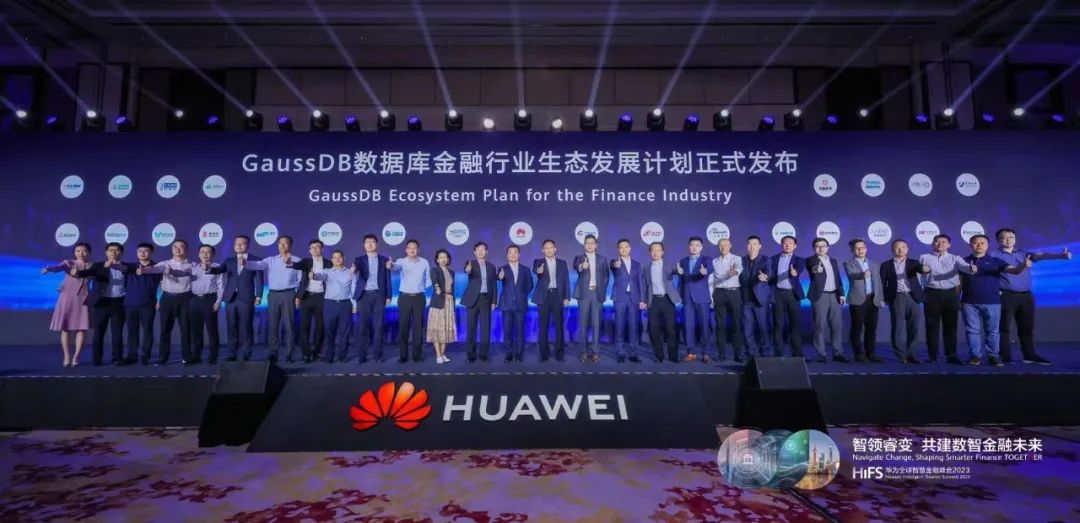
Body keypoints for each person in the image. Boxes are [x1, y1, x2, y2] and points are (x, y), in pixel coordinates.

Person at [992, 228, 1072, 365]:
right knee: (1004, 328)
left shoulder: (1023, 253)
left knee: (1027, 328)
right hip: (1006, 295)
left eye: (1012, 237)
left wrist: (1061, 256)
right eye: (1004, 237)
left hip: (1026, 296)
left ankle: (1029, 355)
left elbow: (1041, 255)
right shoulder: (994, 255)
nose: (1009, 240)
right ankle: (1005, 357)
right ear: (998, 240)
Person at [961, 234, 1027, 366]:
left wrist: (1023, 266)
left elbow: (1014, 270)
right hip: (969, 302)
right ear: (970, 245)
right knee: (972, 331)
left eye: (982, 243)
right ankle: (975, 356)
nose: (979, 245)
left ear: (987, 246)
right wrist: (958, 299)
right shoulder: (963, 261)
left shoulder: (995, 261)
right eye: (976, 243)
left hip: (992, 302)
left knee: (992, 332)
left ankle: (993, 356)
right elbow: (958, 282)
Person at [241, 236, 301, 363]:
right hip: (273, 295)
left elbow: (301, 280)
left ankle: (289, 354)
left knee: (289, 325)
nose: (282, 245)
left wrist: (298, 296)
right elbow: (257, 265)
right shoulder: (271, 260)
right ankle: (273, 353)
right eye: (280, 243)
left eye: (285, 243)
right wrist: (246, 263)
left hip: (289, 294)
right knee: (273, 325)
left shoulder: (297, 260)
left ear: (290, 245)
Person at [138, 239, 199, 365]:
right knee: (165, 329)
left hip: (185, 298)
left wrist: (173, 272)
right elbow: (154, 269)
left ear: (186, 250)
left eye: (181, 247)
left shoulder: (193, 265)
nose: (178, 249)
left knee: (186, 329)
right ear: (172, 249)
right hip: (167, 298)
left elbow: (187, 274)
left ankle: (186, 356)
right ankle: (163, 357)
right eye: (175, 247)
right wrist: (144, 270)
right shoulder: (165, 264)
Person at [919, 234, 974, 364]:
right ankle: (933, 356)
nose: (940, 244)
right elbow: (918, 274)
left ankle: (951, 355)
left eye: (944, 242)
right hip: (931, 293)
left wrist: (971, 268)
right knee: (931, 325)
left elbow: (964, 267)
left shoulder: (955, 258)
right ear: (933, 244)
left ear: (949, 245)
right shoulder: (924, 257)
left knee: (951, 326)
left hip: (950, 294)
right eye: (937, 242)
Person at [74, 242, 128, 366]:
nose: (113, 252)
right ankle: (97, 359)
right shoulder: (98, 265)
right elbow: (85, 273)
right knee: (99, 332)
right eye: (110, 250)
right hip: (101, 303)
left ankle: (117, 357)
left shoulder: (125, 267)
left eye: (116, 250)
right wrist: (76, 273)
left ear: (121, 252)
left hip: (119, 303)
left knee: (117, 333)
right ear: (106, 252)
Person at [42, 242, 92, 366]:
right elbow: (58, 268)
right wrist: (49, 269)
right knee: (66, 328)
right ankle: (66, 356)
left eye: (84, 251)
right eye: (78, 251)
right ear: (74, 253)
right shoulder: (69, 263)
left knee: (81, 328)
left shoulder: (92, 266)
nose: (81, 253)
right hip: (67, 298)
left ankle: (76, 357)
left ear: (89, 252)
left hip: (83, 298)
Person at [880, 239, 926, 364]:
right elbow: (882, 283)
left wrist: (925, 269)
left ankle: (912, 354)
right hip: (897, 297)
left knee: (914, 327)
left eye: (903, 247)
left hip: (913, 297)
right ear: (892, 249)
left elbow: (921, 269)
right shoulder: (886, 265)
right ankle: (901, 355)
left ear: (907, 249)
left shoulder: (914, 263)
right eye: (897, 247)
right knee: (898, 328)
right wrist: (883, 299)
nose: (900, 249)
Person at [218, 235, 263, 362]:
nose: (238, 245)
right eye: (236, 243)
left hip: (247, 298)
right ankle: (232, 353)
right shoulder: (229, 260)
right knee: (231, 326)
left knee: (246, 326)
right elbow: (218, 270)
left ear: (248, 245)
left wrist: (259, 296)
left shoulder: (256, 260)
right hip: (231, 298)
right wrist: (208, 268)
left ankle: (246, 353)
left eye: (242, 243)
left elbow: (259, 279)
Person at [351, 234, 392, 363]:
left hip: (379, 295)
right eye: (367, 242)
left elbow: (387, 279)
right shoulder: (359, 259)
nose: (369, 244)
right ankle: (361, 355)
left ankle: (378, 355)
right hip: (363, 296)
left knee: (378, 327)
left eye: (372, 242)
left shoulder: (384, 260)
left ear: (377, 244)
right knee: (362, 327)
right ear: (364, 245)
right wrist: (353, 269)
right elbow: (355, 269)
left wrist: (388, 296)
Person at [806, 238, 848, 363]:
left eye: (823, 246)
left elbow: (838, 278)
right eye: (817, 246)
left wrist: (841, 294)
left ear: (827, 247)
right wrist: (817, 270)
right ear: (814, 248)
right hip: (820, 296)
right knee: (819, 326)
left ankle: (838, 353)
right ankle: (821, 354)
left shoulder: (833, 260)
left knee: (837, 326)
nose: (821, 248)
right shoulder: (810, 260)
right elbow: (813, 269)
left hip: (834, 295)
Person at [120, 243, 162, 365]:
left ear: (151, 252)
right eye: (140, 251)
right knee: (132, 331)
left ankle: (145, 355)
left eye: (146, 251)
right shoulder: (130, 267)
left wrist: (159, 300)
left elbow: (162, 286)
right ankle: (132, 355)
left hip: (148, 304)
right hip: (130, 304)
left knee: (147, 330)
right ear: (137, 253)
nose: (142, 253)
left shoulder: (157, 268)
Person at [311, 250, 356, 363]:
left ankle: (342, 356)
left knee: (344, 332)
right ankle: (328, 356)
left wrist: (354, 305)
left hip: (345, 304)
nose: (337, 259)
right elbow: (318, 276)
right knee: (329, 332)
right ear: (332, 260)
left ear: (344, 258)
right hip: (330, 304)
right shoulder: (327, 272)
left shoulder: (350, 272)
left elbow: (353, 289)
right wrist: (313, 275)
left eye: (339, 257)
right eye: (334, 257)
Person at [390, 239, 431, 363]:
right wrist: (391, 265)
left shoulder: (424, 262)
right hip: (404, 298)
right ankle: (403, 355)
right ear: (406, 250)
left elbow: (428, 280)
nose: (412, 250)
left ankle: (417, 355)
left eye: (415, 248)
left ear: (418, 250)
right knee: (403, 326)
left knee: (418, 327)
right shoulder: (401, 261)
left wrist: (420, 287)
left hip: (419, 298)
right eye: (410, 248)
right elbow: (395, 266)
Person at [293, 239, 333, 363]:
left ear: (322, 249)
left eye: (317, 247)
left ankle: (317, 352)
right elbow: (295, 265)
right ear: (309, 250)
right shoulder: (305, 262)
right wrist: (289, 262)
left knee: (320, 326)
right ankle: (306, 353)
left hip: (322, 297)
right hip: (306, 297)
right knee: (304, 326)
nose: (315, 249)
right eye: (312, 247)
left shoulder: (329, 263)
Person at [844, 239, 884, 363]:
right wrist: (862, 275)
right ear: (852, 250)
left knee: (871, 328)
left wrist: (880, 298)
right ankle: (858, 354)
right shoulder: (849, 263)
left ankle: (871, 353)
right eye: (857, 248)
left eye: (862, 247)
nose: (860, 250)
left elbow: (878, 282)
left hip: (873, 299)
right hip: (857, 300)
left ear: (866, 249)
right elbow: (851, 275)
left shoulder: (874, 264)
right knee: (857, 328)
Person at [676, 236, 714, 362]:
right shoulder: (683, 261)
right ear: (689, 247)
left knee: (704, 326)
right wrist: (678, 272)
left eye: (697, 245)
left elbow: (710, 269)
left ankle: (706, 353)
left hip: (702, 298)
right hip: (687, 298)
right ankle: (691, 353)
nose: (694, 247)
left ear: (701, 247)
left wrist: (705, 271)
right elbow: (680, 279)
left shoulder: (706, 259)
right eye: (692, 245)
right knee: (688, 326)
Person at [573, 234, 608, 362]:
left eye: (592, 243)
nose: (589, 245)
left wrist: (602, 290)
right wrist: (582, 267)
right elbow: (577, 268)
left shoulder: (603, 259)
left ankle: (595, 352)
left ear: (596, 245)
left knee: (596, 324)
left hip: (597, 294)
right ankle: (583, 351)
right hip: (584, 294)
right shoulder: (579, 258)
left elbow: (606, 276)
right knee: (583, 324)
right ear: (584, 245)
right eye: (587, 243)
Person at [533, 239, 570, 362]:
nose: (548, 250)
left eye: (551, 247)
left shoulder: (562, 263)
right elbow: (536, 271)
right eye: (546, 248)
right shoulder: (538, 262)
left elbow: (566, 280)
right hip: (543, 297)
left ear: (555, 249)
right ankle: (544, 354)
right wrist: (539, 271)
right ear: (542, 250)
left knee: (559, 326)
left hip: (557, 296)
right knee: (543, 326)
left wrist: (566, 297)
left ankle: (559, 353)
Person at [643, 241, 680, 363]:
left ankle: (673, 355)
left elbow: (675, 272)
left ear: (662, 252)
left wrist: (678, 271)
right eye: (653, 250)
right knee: (654, 329)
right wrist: (644, 301)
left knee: (671, 329)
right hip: (653, 300)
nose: (656, 253)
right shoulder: (647, 268)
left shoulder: (668, 265)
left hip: (667, 299)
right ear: (650, 252)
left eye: (658, 250)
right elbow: (646, 286)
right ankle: (659, 355)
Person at [187, 244, 225, 365]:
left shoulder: (218, 267)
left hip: (210, 300)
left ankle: (213, 356)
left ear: (213, 254)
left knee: (212, 330)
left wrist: (218, 301)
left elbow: (221, 286)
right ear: (198, 254)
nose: (205, 254)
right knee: (195, 330)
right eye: (202, 252)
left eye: (208, 252)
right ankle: (196, 355)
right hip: (194, 300)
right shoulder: (193, 268)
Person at [770, 235, 806, 357]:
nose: (787, 245)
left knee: (795, 325)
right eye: (785, 243)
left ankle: (797, 353)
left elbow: (798, 271)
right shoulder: (773, 259)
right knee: (777, 324)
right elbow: (770, 277)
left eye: (790, 243)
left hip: (793, 294)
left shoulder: (799, 260)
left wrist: (795, 273)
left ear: (795, 246)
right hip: (778, 294)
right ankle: (778, 353)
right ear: (781, 245)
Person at [710, 238, 744, 362]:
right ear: (718, 247)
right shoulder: (714, 262)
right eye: (721, 245)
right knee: (720, 326)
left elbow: (739, 268)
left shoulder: (736, 259)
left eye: (725, 245)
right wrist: (711, 297)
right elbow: (712, 281)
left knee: (736, 325)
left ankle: (738, 354)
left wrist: (735, 272)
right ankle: (721, 354)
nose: (723, 247)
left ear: (730, 246)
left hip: (734, 293)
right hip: (719, 293)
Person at [463, 242, 498, 362]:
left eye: (483, 249)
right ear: (474, 252)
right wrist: (468, 270)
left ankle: (483, 354)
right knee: (471, 328)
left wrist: (494, 301)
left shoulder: (491, 266)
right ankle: (470, 355)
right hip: (472, 300)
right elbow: (467, 271)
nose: (480, 251)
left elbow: (494, 284)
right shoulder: (470, 263)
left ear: (486, 252)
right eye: (478, 249)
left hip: (486, 299)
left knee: (485, 328)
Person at [497, 245, 533, 362]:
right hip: (506, 304)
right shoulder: (502, 269)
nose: (513, 254)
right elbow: (499, 278)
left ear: (519, 254)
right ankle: (508, 354)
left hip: (520, 304)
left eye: (515, 252)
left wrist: (521, 294)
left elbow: (530, 285)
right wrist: (500, 277)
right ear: (507, 255)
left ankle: (519, 354)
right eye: (510, 252)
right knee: (507, 331)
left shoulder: (525, 269)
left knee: (520, 331)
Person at [610, 239, 644, 362]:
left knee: (633, 326)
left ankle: (633, 353)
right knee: (619, 326)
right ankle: (620, 352)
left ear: (630, 248)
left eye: (626, 246)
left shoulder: (637, 264)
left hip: (634, 298)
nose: (624, 249)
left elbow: (640, 283)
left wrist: (642, 299)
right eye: (621, 247)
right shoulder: (614, 262)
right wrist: (616, 264)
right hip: (619, 298)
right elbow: (613, 266)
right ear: (618, 249)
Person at [739, 236, 773, 358]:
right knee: (747, 329)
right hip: (745, 299)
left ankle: (765, 351)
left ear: (760, 246)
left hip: (760, 300)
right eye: (749, 244)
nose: (752, 246)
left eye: (754, 244)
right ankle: (751, 352)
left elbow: (768, 273)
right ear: (747, 246)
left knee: (763, 327)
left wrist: (765, 277)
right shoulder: (741, 260)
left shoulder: (766, 260)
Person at [427, 249, 457, 364]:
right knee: (437, 329)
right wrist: (437, 288)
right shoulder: (434, 270)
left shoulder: (452, 272)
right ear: (437, 260)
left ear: (448, 259)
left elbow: (452, 288)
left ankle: (443, 353)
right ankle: (438, 355)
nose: (443, 259)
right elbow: (435, 281)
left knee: (445, 329)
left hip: (449, 301)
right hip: (438, 301)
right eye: (441, 257)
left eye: (445, 257)